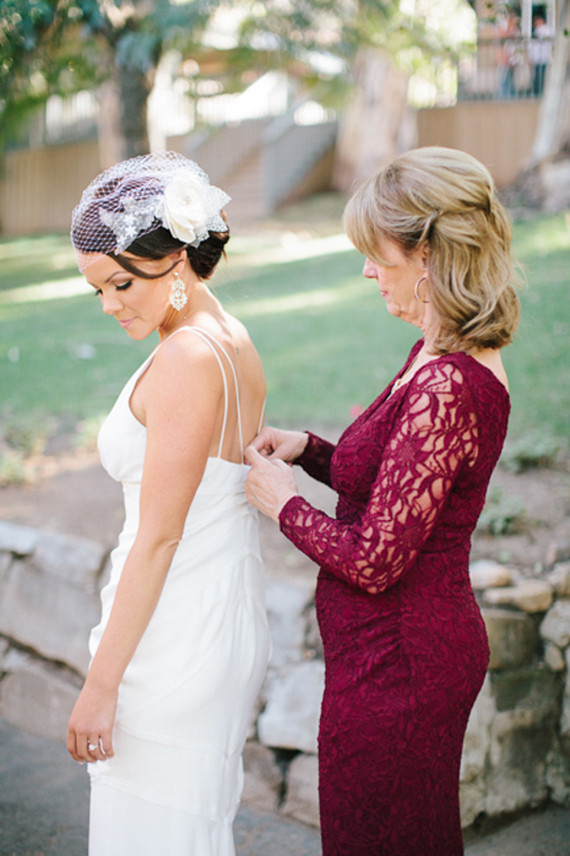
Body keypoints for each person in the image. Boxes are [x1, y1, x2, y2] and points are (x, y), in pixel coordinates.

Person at [245, 146, 521, 856]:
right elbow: (396, 494)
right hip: (381, 658)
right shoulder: (433, 354)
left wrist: (284, 506)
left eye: (378, 253)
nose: (368, 270)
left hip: (402, 666)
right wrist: (307, 451)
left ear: (428, 253)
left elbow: (374, 559)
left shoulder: (452, 386)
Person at [66, 151, 271, 856]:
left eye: (120, 283)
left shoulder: (186, 358)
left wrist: (100, 685)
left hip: (174, 631)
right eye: (96, 290)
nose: (110, 304)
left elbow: (158, 538)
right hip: (213, 612)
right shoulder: (232, 340)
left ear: (176, 258)